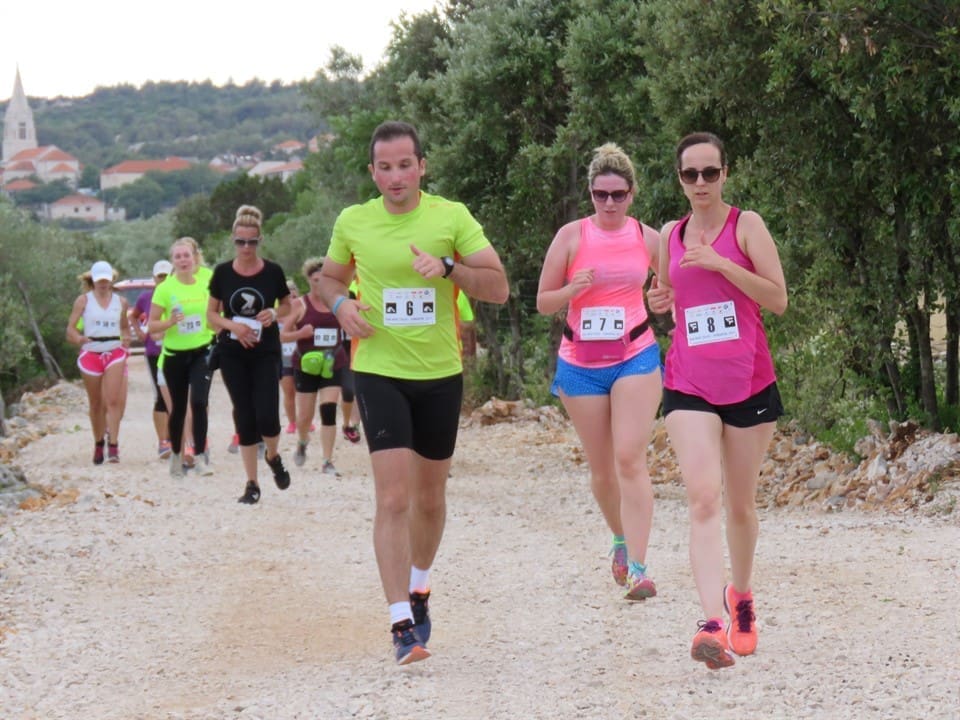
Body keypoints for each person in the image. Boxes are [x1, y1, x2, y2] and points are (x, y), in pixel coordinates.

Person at [318, 120, 509, 665]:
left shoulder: (450, 217)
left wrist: (449, 268)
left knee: (429, 499)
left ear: (422, 166)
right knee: (393, 499)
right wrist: (340, 305)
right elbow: (329, 280)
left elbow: (497, 285)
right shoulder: (354, 221)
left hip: (439, 375)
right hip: (379, 370)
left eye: (405, 165)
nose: (396, 176)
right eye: (385, 167)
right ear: (372, 172)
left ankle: (420, 585)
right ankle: (400, 622)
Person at [655, 132, 787, 670]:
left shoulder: (746, 225)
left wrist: (721, 265)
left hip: (749, 382)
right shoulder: (668, 233)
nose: (701, 183)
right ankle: (710, 623)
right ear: (680, 180)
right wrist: (657, 300)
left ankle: (742, 596)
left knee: (739, 504)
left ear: (725, 174)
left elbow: (777, 299)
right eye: (691, 175)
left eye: (711, 173)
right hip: (688, 382)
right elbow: (668, 298)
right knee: (704, 498)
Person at [536, 143, 663, 602]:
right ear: (590, 194)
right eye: (600, 194)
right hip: (581, 364)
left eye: (618, 194)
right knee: (604, 468)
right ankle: (620, 539)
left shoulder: (648, 239)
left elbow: (669, 288)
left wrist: (663, 296)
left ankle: (640, 569)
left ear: (632, 194)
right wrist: (573, 287)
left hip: (636, 356)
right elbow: (543, 301)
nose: (609, 203)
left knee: (630, 458)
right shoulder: (571, 237)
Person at [206, 204, 294, 504]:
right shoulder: (221, 273)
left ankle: (272, 456)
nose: (246, 247)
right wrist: (233, 326)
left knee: (268, 416)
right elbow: (211, 315)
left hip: (266, 351)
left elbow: (287, 305)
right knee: (244, 416)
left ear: (260, 241)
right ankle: (252, 483)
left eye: (251, 241)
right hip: (232, 352)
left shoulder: (272, 271)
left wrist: (272, 312)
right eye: (240, 241)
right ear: (233, 240)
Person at [149, 238, 215, 477]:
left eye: (186, 255)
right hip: (174, 355)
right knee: (178, 408)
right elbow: (152, 327)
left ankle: (199, 456)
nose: (182, 260)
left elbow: (219, 309)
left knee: (198, 402)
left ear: (194, 256)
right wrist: (169, 322)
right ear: (172, 261)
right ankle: (177, 453)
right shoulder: (165, 288)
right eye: (177, 257)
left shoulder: (207, 280)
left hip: (202, 351)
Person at [283, 257, 346, 475]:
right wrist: (301, 334)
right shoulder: (299, 305)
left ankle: (327, 460)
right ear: (309, 280)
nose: (320, 285)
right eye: (316, 280)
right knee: (304, 416)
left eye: (323, 280)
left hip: (332, 362)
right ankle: (302, 441)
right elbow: (281, 336)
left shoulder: (338, 301)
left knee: (328, 410)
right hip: (305, 365)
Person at [66, 260, 132, 464]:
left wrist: (126, 339)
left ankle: (113, 445)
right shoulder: (83, 301)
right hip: (91, 352)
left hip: (113, 351)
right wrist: (78, 339)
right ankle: (98, 443)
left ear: (111, 280)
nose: (103, 284)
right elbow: (70, 329)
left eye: (106, 280)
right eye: (99, 281)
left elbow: (123, 327)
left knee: (112, 400)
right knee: (96, 403)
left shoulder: (120, 302)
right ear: (93, 281)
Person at [132, 260, 173, 459]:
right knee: (160, 394)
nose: (163, 280)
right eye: (160, 277)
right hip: (154, 352)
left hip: (176, 351)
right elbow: (134, 315)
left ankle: (176, 437)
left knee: (178, 394)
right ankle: (163, 441)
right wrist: (140, 332)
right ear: (154, 278)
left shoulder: (177, 296)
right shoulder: (146, 298)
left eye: (166, 276)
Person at [280, 280, 300, 434]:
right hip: (284, 358)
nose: (292, 300)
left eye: (294, 296)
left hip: (302, 357)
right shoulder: (276, 315)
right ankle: (292, 422)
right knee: (288, 391)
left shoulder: (304, 313)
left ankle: (305, 419)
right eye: (288, 297)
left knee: (303, 391)